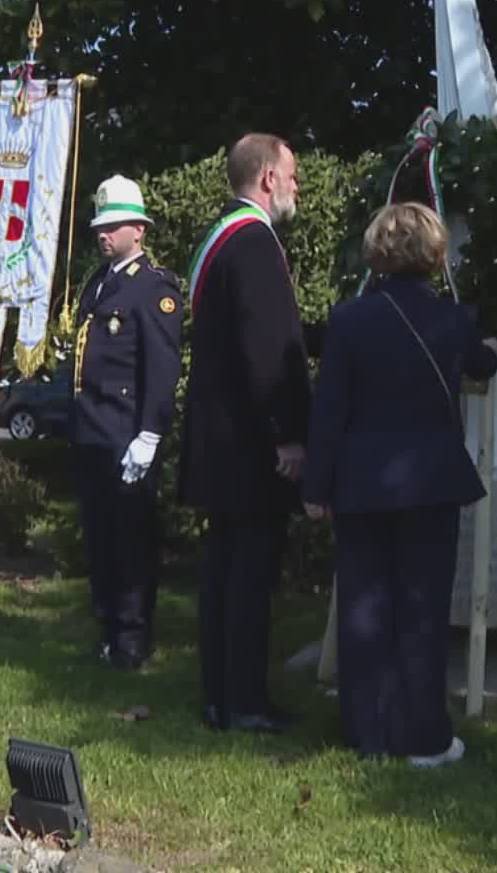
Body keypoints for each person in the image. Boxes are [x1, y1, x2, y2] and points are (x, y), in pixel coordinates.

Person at [301, 202, 497, 768]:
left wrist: (317, 487)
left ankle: (369, 733)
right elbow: (483, 364)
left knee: (364, 609)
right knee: (423, 610)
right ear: (435, 254)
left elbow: (330, 409)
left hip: (362, 482)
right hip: (431, 482)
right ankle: (425, 736)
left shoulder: (348, 320)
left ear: (377, 253)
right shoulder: (456, 321)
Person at [177, 132, 313, 733]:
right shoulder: (254, 242)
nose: (296, 187)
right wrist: (288, 433)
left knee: (223, 571)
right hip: (251, 444)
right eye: (292, 176)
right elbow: (270, 350)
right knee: (249, 576)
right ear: (266, 179)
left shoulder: (221, 237)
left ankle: (219, 696)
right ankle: (246, 702)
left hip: (221, 437)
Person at [69, 175, 184, 670]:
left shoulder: (152, 288)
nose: (104, 234)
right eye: (100, 225)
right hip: (92, 427)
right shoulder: (99, 282)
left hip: (126, 430)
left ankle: (133, 637)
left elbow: (161, 365)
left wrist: (150, 433)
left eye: (114, 225)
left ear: (139, 229)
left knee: (131, 540)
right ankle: (108, 628)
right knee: (100, 537)